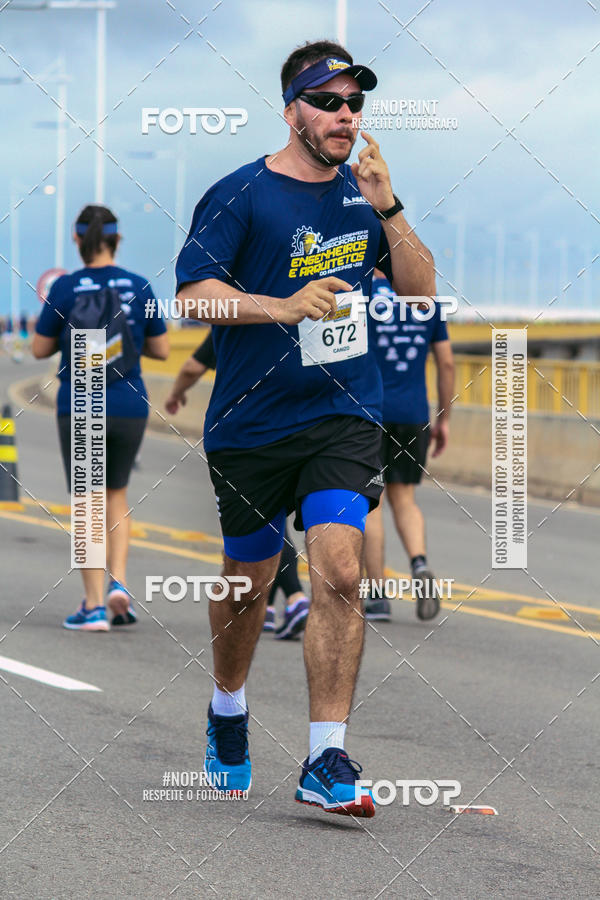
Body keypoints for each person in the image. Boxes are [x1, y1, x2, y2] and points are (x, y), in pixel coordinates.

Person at [175, 40, 435, 817]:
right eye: (327, 102)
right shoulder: (240, 193)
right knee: (247, 588)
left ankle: (325, 757)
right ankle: (228, 711)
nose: (344, 116)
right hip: (251, 426)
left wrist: (389, 206)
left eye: (354, 103)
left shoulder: (363, 198)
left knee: (342, 572)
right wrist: (283, 307)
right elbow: (195, 294)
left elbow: (420, 294)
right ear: (292, 109)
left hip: (343, 416)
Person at [32, 204, 169, 631]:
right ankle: (119, 585)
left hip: (81, 401)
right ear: (117, 238)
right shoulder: (139, 286)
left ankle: (92, 606)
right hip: (130, 404)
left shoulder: (67, 288)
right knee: (117, 497)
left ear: (78, 239)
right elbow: (162, 349)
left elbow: (38, 349)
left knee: (87, 502)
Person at [165, 330, 311, 639]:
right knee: (273, 522)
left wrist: (175, 393)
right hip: (303, 424)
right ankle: (270, 608)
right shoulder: (294, 321)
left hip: (250, 435)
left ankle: (295, 598)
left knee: (263, 523)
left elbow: (193, 366)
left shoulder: (235, 320)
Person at [363, 270, 454, 622]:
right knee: (405, 499)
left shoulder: (364, 291)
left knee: (372, 502)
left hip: (371, 412)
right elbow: (446, 363)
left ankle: (377, 596)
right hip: (414, 415)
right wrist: (443, 418)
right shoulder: (425, 297)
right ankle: (419, 563)